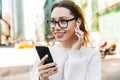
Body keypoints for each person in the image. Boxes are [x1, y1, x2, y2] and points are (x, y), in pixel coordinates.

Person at [31, 1, 101, 80]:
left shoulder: (92, 55)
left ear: (78, 22)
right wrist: (43, 78)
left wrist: (75, 54)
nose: (56, 27)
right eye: (53, 22)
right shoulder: (44, 56)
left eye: (63, 21)